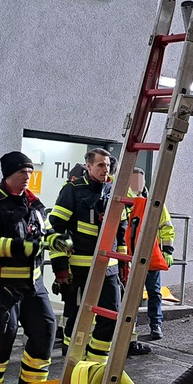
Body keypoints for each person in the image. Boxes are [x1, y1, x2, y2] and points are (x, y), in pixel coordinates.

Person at [0, 152, 60, 384]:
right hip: (2, 288)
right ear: (9, 175)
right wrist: (22, 247)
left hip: (34, 288)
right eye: (22, 172)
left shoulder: (35, 204)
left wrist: (58, 239)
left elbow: (46, 231)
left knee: (45, 332)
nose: (27, 177)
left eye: (30, 172)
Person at [49, 148, 139, 360]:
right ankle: (72, 359)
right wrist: (60, 268)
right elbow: (57, 230)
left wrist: (122, 262)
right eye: (100, 165)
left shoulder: (114, 189)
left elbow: (121, 227)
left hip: (108, 268)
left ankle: (97, 362)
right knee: (77, 317)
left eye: (107, 165)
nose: (105, 169)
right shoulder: (72, 190)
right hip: (79, 268)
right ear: (88, 166)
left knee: (111, 315)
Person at [123, 167, 176, 340]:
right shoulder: (124, 200)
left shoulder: (154, 201)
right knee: (130, 293)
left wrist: (167, 250)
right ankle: (130, 327)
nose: (138, 183)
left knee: (153, 292)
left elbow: (166, 226)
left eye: (140, 179)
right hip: (128, 255)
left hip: (149, 253)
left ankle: (155, 325)